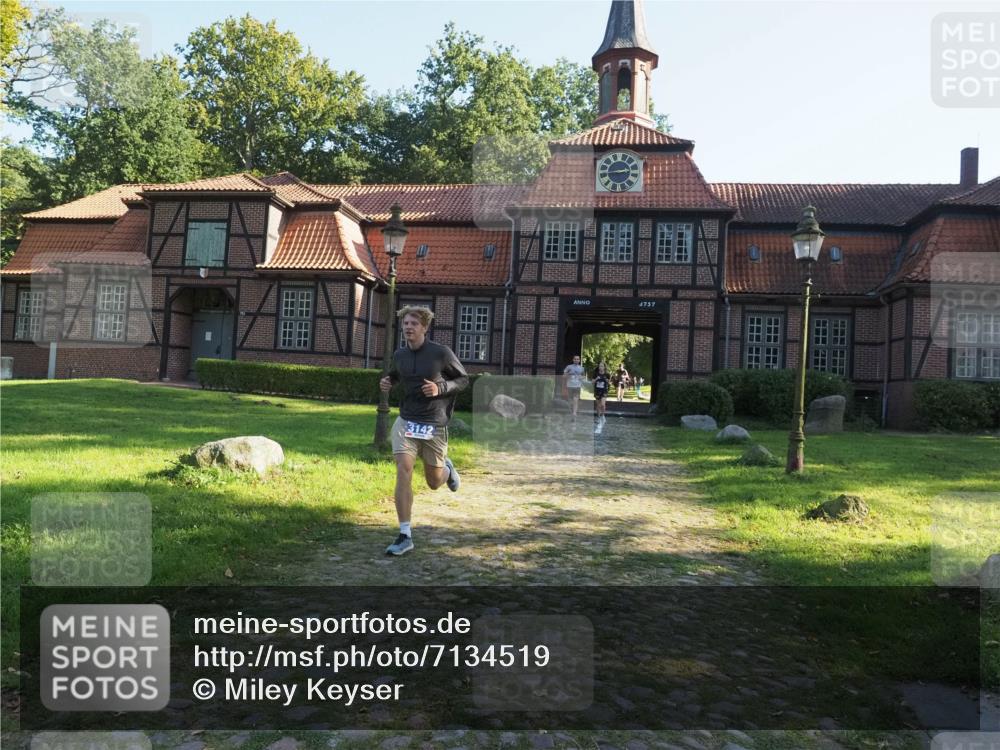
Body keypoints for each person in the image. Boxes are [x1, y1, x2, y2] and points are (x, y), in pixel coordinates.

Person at [379, 305, 469, 556]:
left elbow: (463, 380)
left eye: (414, 324)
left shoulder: (441, 353)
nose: (408, 327)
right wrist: (388, 381)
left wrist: (440, 389)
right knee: (404, 468)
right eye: (406, 323)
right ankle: (404, 534)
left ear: (425, 327)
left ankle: (447, 469)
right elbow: (396, 375)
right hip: (407, 421)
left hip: (434, 424)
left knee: (433, 482)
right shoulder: (400, 355)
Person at [563, 354, 586, 422]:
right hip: (570, 386)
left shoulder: (581, 368)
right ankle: (573, 412)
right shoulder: (569, 367)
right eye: (575, 359)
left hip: (577, 386)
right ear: (573, 360)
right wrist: (568, 374)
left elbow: (584, 377)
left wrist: (581, 377)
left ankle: (574, 414)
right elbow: (563, 376)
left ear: (579, 360)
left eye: (577, 359)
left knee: (575, 400)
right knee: (570, 402)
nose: (576, 360)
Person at [592, 362, 611, 435]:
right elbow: (592, 382)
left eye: (602, 366)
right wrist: (596, 378)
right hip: (597, 391)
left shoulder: (607, 374)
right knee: (598, 405)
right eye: (600, 366)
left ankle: (603, 415)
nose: (601, 367)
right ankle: (599, 417)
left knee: (603, 405)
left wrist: (607, 381)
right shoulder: (595, 374)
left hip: (604, 391)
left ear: (604, 367)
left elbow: (609, 383)